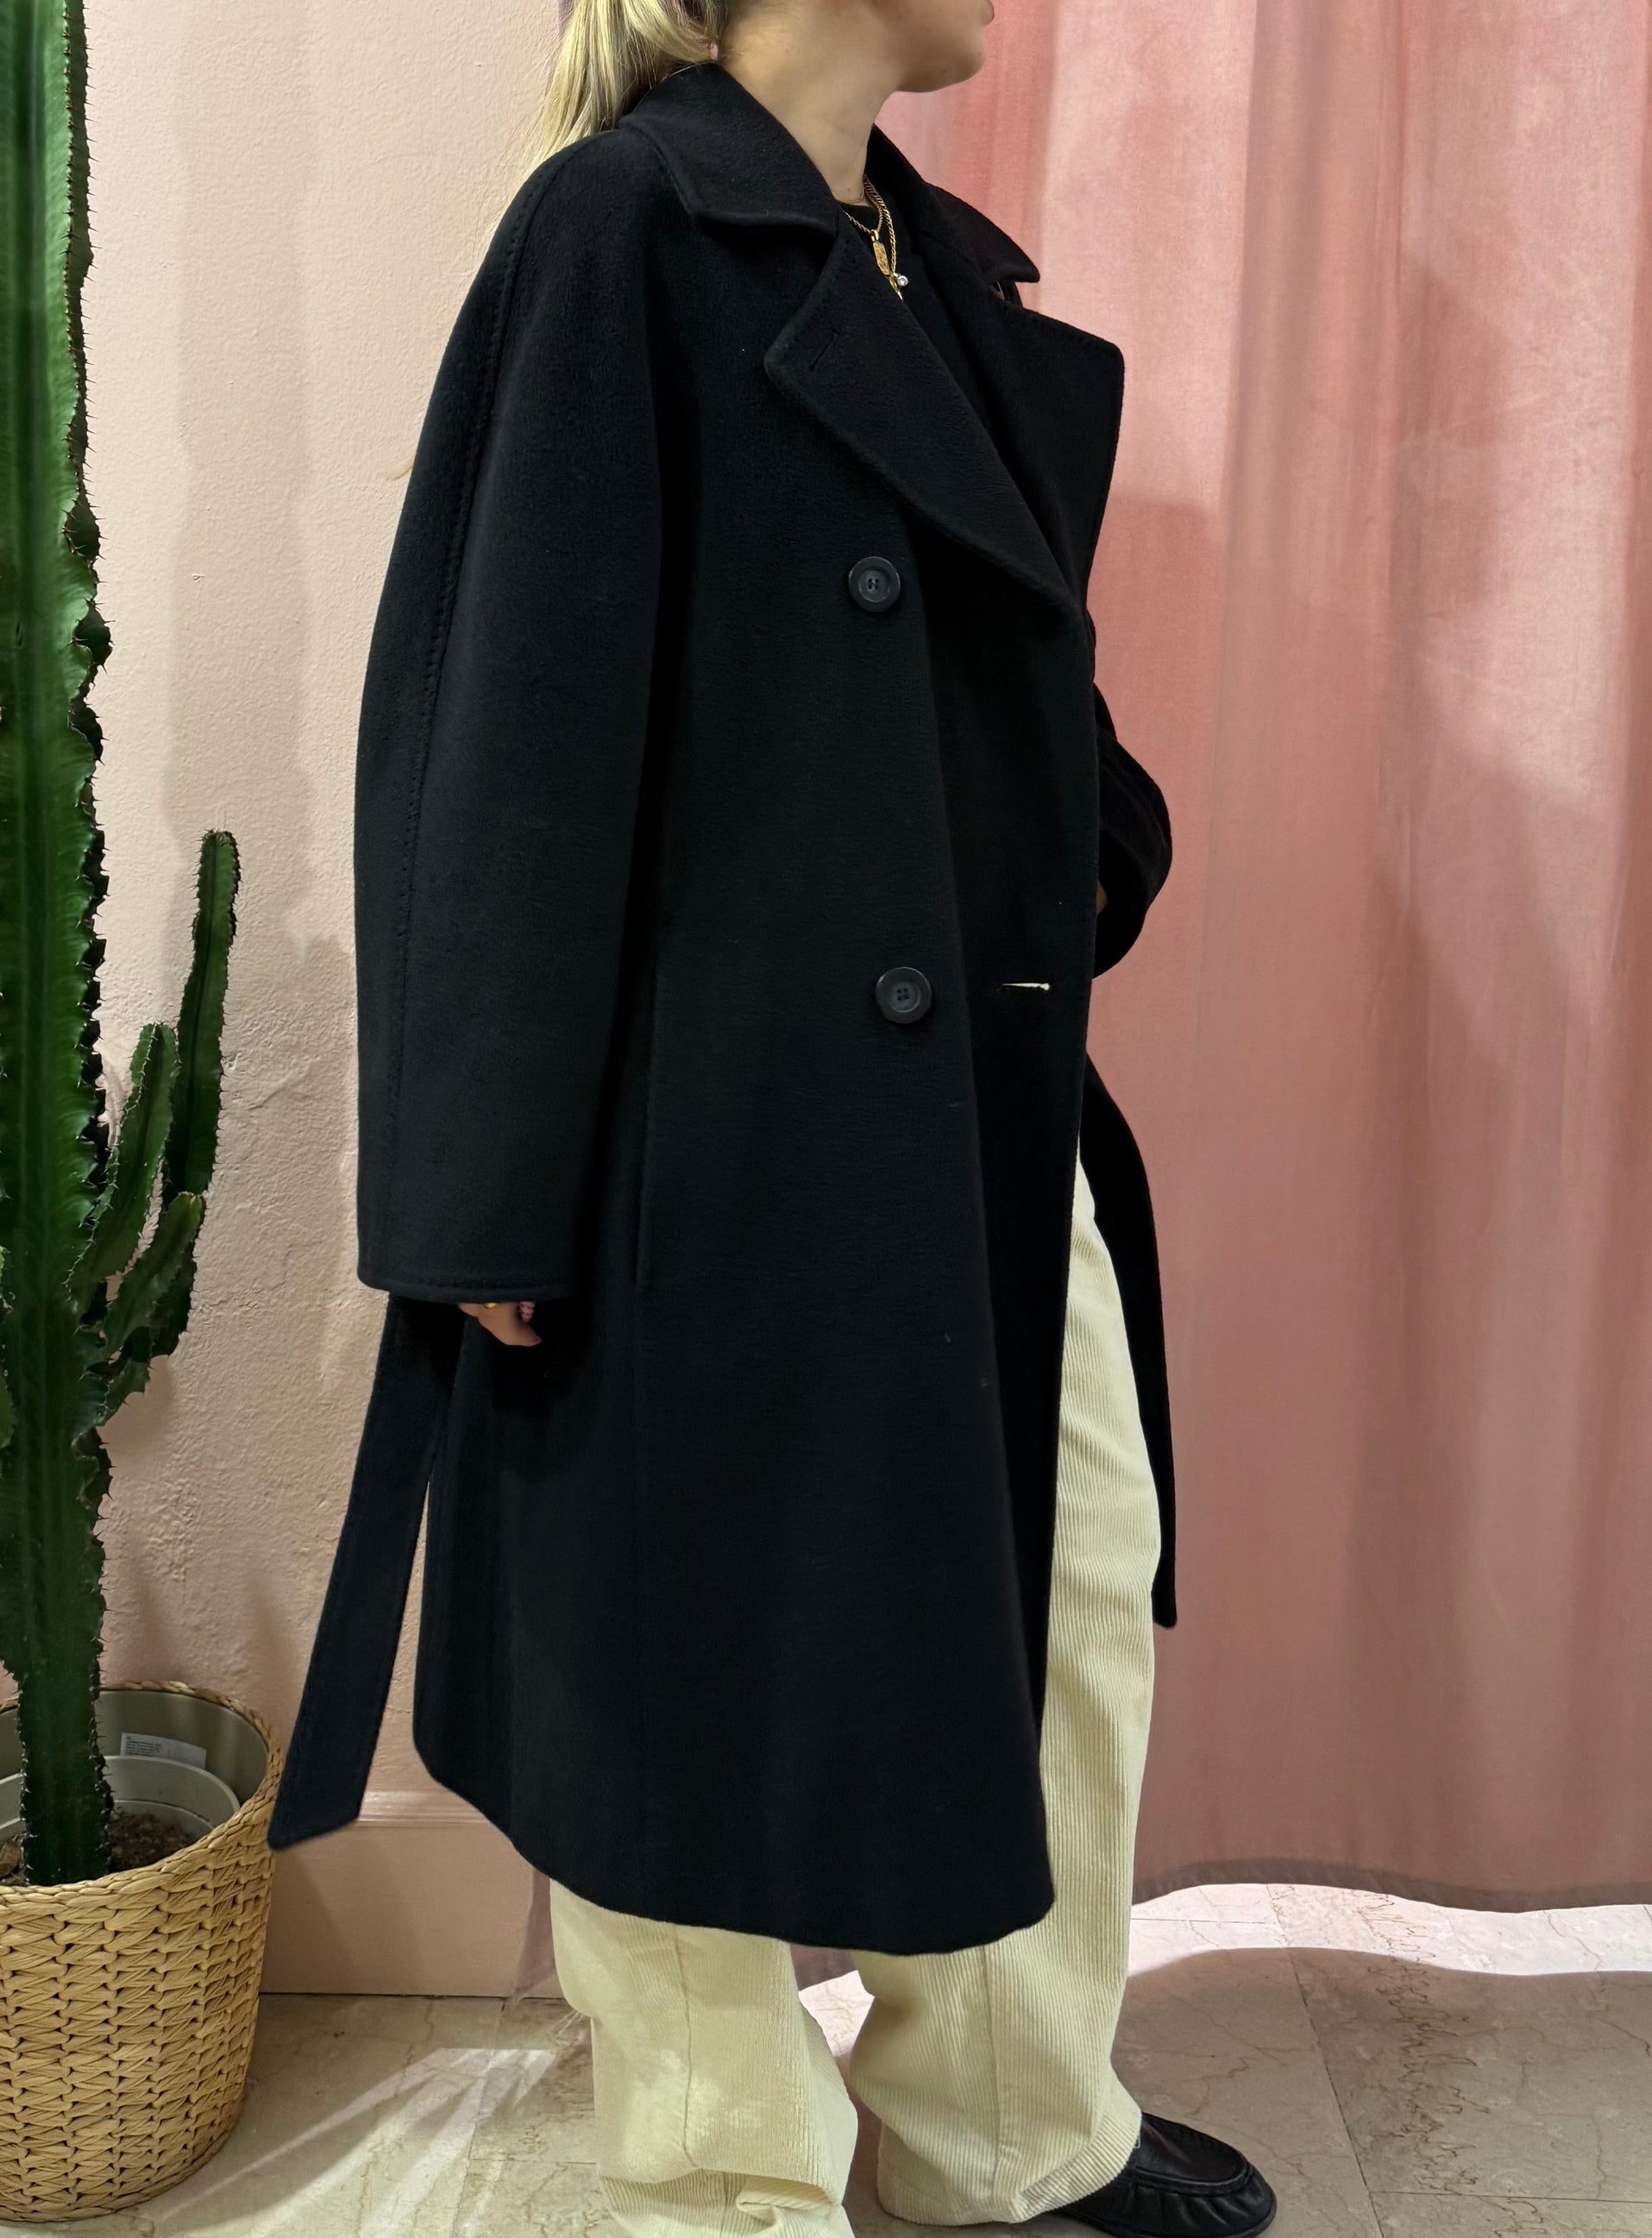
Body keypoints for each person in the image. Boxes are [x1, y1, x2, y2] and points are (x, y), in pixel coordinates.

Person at [268, 2, 1277, 2232]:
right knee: (672, 1652)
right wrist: (482, 1186)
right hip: (704, 1125)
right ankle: (723, 2178)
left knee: (1061, 1583)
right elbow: (502, 725)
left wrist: (1087, 833)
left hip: (974, 1107)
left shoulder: (927, 259)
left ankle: (1005, 2124)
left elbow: (975, 660)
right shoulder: (619, 226)